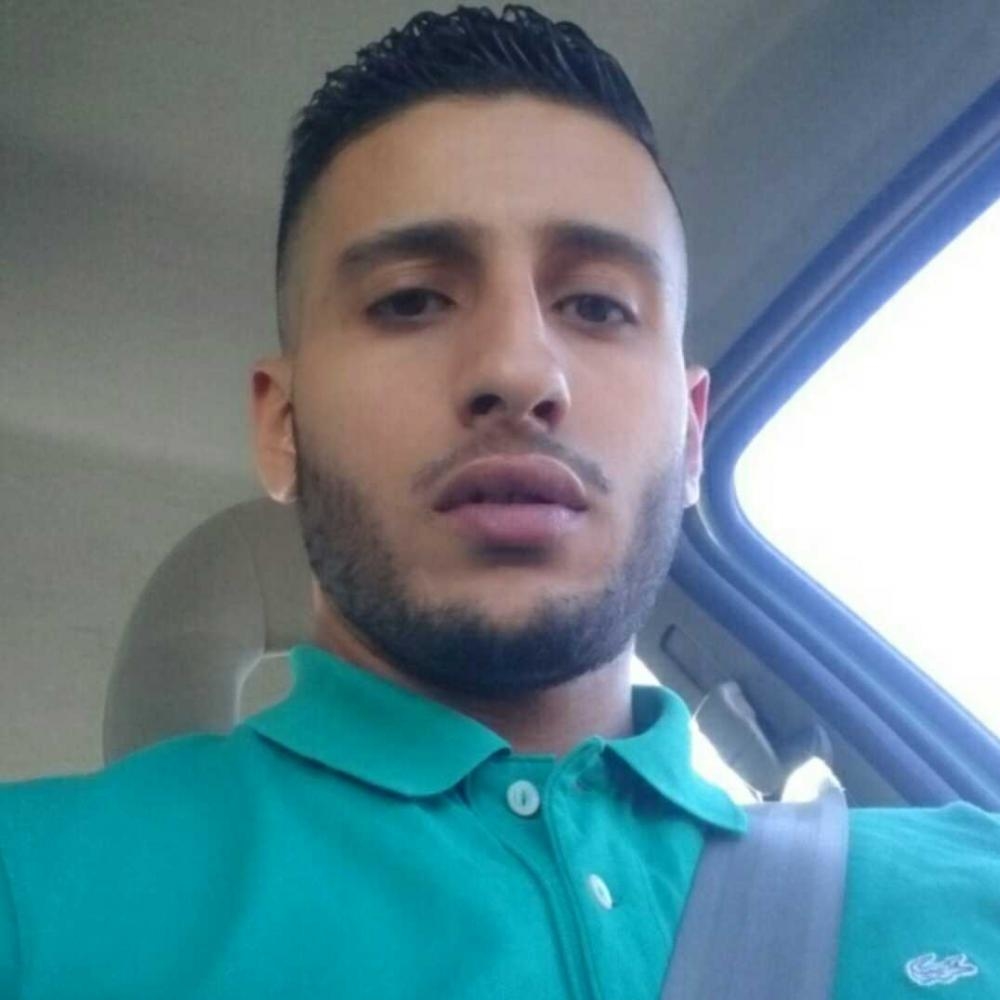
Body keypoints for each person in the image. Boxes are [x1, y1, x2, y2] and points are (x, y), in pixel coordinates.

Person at [1, 6, 996, 998]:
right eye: (410, 300)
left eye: (598, 305)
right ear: (282, 426)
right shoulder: (32, 898)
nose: (519, 371)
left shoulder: (971, 881)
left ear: (693, 436)